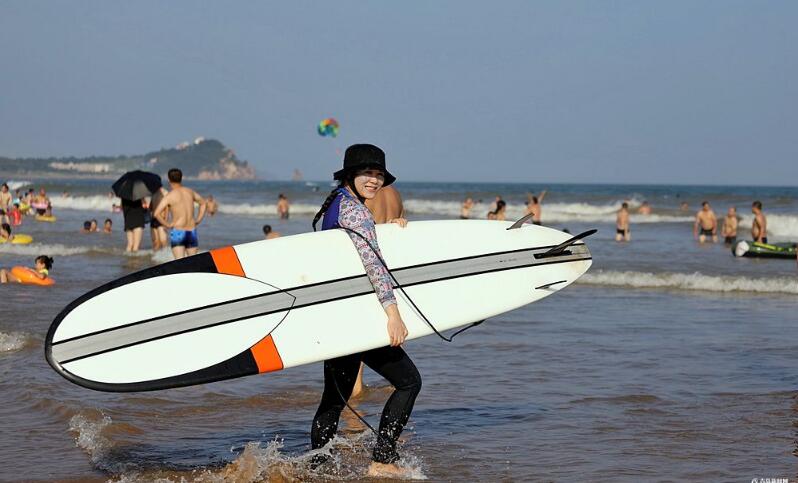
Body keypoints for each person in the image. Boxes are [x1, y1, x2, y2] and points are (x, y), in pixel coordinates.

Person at [309, 144, 419, 478]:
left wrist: (389, 230)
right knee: (409, 382)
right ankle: (382, 460)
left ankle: (317, 467)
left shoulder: (339, 205)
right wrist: (393, 314)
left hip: (339, 315)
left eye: (378, 174)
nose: (374, 180)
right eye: (367, 173)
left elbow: (354, 251)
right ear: (350, 175)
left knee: (334, 399)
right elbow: (374, 265)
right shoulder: (356, 212)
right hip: (359, 318)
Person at [154, 168, 206, 259]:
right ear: (181, 178)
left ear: (169, 180)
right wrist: (198, 219)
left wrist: (167, 224)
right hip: (191, 230)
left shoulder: (170, 196)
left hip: (178, 231)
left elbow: (156, 213)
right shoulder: (189, 192)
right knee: (193, 262)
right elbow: (203, 203)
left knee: (179, 263)